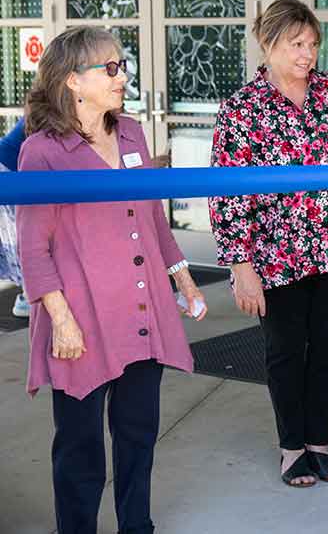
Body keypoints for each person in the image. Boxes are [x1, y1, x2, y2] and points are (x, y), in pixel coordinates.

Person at [16, 26, 207, 533]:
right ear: (74, 81)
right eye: (112, 67)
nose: (123, 75)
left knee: (138, 436)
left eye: (122, 65)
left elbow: (151, 219)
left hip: (142, 311)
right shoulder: (42, 151)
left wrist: (184, 281)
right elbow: (33, 249)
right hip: (80, 319)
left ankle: (135, 527)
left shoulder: (131, 134)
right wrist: (61, 319)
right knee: (80, 452)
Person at [209, 0, 328, 488]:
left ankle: (318, 443)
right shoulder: (242, 109)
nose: (307, 54)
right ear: (268, 44)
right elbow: (227, 192)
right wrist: (240, 263)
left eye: (313, 44)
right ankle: (290, 447)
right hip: (275, 251)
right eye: (295, 44)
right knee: (285, 349)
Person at [1, 117, 29, 317]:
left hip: (11, 170)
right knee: (20, 236)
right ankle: (28, 297)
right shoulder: (51, 109)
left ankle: (27, 296)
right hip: (8, 171)